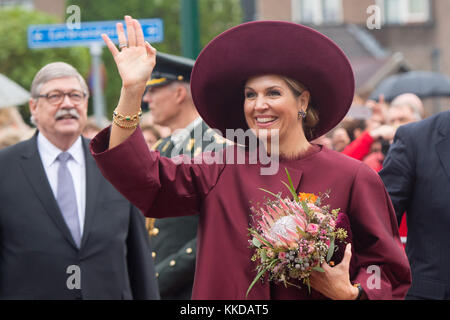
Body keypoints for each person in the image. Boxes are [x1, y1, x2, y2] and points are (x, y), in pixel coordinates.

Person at [91, 16, 410, 299]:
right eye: (250, 95)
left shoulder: (352, 176)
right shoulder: (218, 166)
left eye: (273, 93)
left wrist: (352, 295)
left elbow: (386, 270)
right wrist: (131, 91)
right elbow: (146, 180)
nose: (259, 105)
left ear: (303, 100)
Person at [0, 62, 159, 299]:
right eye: (54, 96)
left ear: (86, 103)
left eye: (75, 95)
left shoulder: (115, 163)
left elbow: (139, 257)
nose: (67, 104)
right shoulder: (5, 168)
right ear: (34, 107)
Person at [142, 52, 227, 299]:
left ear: (179, 94)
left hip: (193, 290)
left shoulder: (217, 148)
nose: (147, 99)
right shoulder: (163, 146)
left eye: (154, 91)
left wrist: (160, 278)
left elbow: (216, 233)